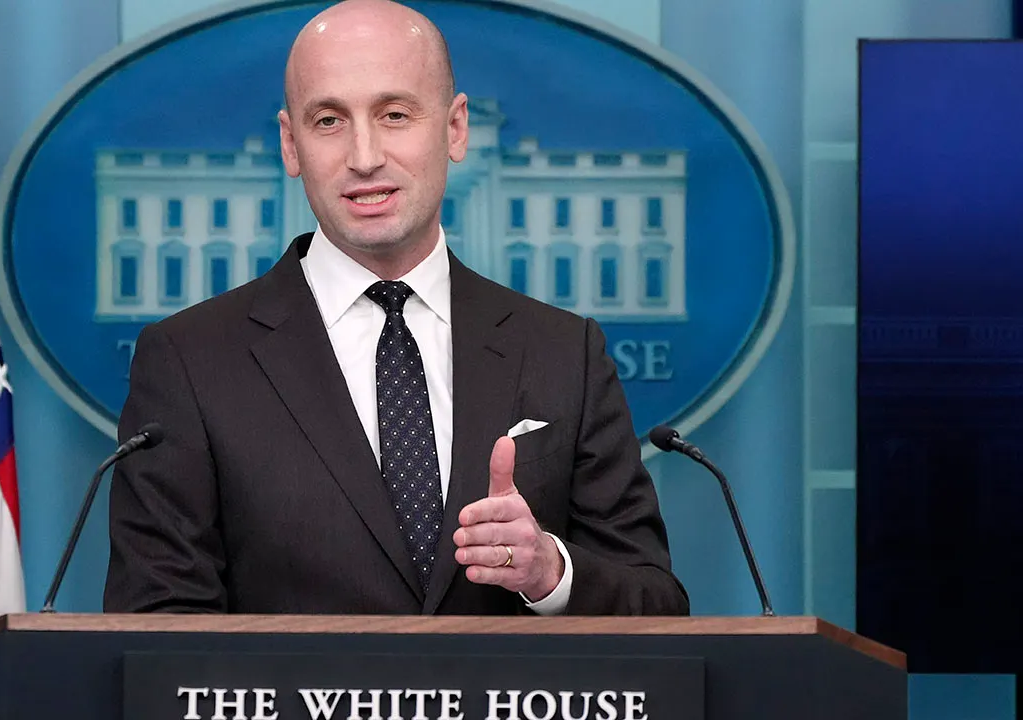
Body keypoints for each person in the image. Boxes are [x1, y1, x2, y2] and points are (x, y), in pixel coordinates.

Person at [103, 0, 688, 616]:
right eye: (329, 120)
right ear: (291, 144)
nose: (364, 156)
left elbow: (657, 607)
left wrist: (551, 572)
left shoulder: (565, 353)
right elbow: (156, 624)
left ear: (455, 129)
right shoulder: (189, 362)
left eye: (395, 115)